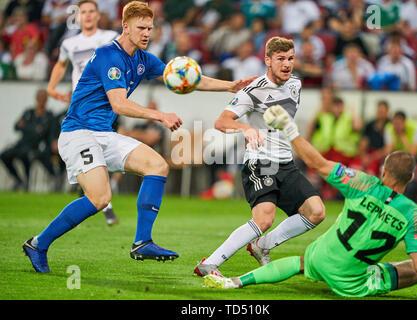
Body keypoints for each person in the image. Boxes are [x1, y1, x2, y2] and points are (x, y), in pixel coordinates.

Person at [22, 1, 256, 273]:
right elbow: (119, 104)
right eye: (141, 28)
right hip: (78, 133)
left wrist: (230, 86)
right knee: (99, 199)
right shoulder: (110, 55)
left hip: (104, 134)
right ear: (125, 27)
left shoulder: (143, 59)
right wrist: (160, 115)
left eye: (150, 28)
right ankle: (38, 244)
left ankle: (142, 241)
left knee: (157, 165)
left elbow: (185, 78)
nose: (147, 33)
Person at [203, 104, 417, 301]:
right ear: (412, 177)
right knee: (412, 268)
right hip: (351, 282)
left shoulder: (361, 183)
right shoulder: (413, 214)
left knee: (301, 260)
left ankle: (235, 281)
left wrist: (290, 130)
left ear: (383, 172)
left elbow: (318, 163)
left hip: (321, 258)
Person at [194, 36, 325, 278]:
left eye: (291, 59)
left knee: (316, 212)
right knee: (264, 218)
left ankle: (262, 246)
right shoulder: (252, 91)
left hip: (285, 162)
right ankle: (209, 264)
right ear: (267, 60)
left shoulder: (295, 84)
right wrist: (246, 129)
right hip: (260, 161)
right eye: (280, 59)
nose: (287, 64)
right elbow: (221, 121)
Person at [46, 0, 120, 226]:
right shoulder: (70, 43)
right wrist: (51, 88)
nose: (87, 16)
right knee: (92, 153)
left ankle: (97, 197)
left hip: (106, 103)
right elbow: (60, 65)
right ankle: (103, 203)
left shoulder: (109, 38)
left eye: (91, 12)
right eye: (83, 12)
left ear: (99, 15)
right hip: (80, 107)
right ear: (77, 17)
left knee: (103, 153)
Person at [0, 89, 56, 191]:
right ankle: (18, 180)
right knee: (4, 155)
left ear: (46, 100)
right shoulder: (28, 112)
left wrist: (26, 126)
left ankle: (27, 183)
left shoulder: (49, 116)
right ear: (36, 98)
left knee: (26, 155)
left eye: (43, 98)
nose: (41, 100)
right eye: (39, 98)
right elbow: (16, 126)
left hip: (35, 147)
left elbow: (42, 133)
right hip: (20, 144)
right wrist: (34, 128)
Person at [353, 100, 391, 177]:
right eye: (379, 111)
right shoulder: (370, 125)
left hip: (381, 157)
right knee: (354, 170)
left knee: (371, 173)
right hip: (368, 154)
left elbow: (388, 149)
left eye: (382, 111)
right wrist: (364, 156)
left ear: (387, 112)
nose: (380, 113)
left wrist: (371, 158)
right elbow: (363, 143)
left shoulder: (390, 126)